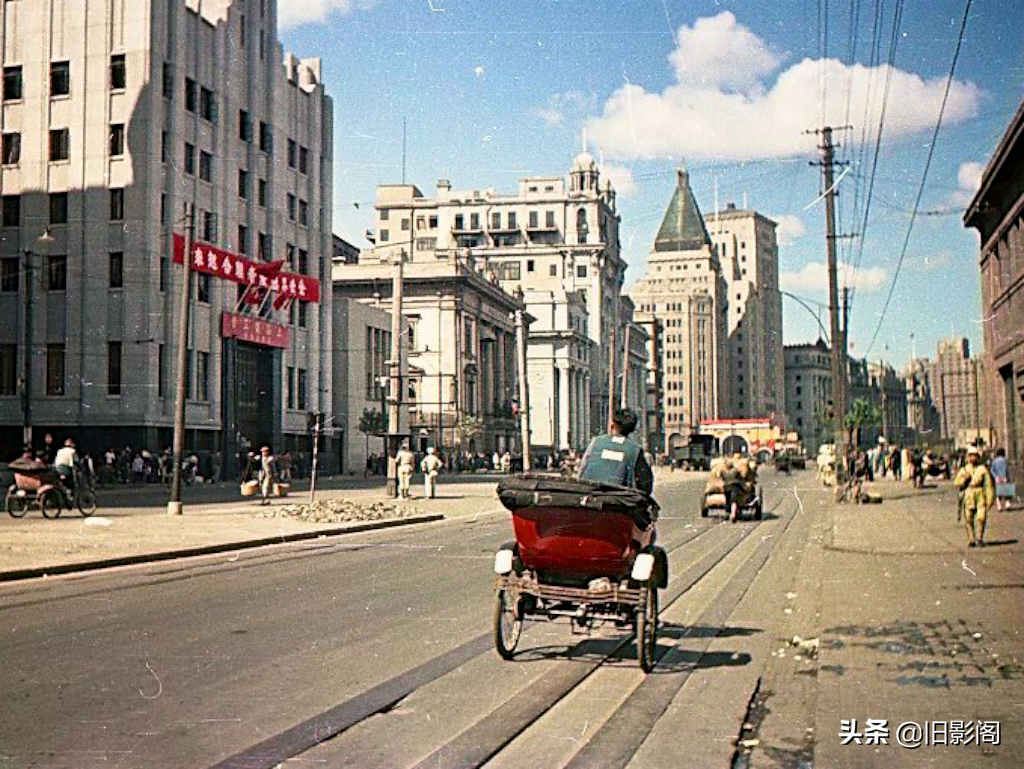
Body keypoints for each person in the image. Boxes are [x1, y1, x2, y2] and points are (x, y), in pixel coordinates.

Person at [578, 408, 654, 495]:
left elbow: (582, 469)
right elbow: (646, 483)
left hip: (589, 495)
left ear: (612, 424)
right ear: (633, 429)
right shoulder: (635, 449)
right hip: (619, 500)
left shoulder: (596, 442)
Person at [954, 446, 994, 548]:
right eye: (970, 455)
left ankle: (979, 538)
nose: (972, 458)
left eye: (974, 455)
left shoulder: (982, 469)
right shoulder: (964, 469)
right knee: (968, 518)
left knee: (981, 517)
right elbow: (956, 482)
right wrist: (964, 480)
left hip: (980, 494)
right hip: (968, 494)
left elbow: (988, 485)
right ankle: (971, 539)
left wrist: (989, 499)